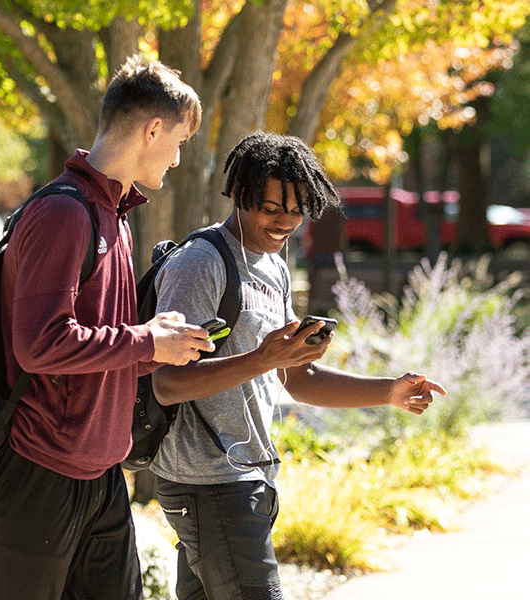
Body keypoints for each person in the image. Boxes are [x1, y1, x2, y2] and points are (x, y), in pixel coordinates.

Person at [149, 131, 448, 600]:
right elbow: (166, 383)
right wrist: (263, 358)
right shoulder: (200, 264)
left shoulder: (274, 267)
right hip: (208, 481)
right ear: (240, 196)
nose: (285, 221)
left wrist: (388, 391)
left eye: (296, 210)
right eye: (270, 209)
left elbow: (299, 380)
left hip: (250, 475)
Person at [0, 54, 216, 600]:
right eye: (178, 142)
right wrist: (146, 339)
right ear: (151, 129)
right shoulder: (64, 213)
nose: (178, 159)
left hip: (102, 473)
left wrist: (161, 345)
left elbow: (98, 345)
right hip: (39, 469)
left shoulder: (114, 214)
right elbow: (41, 344)